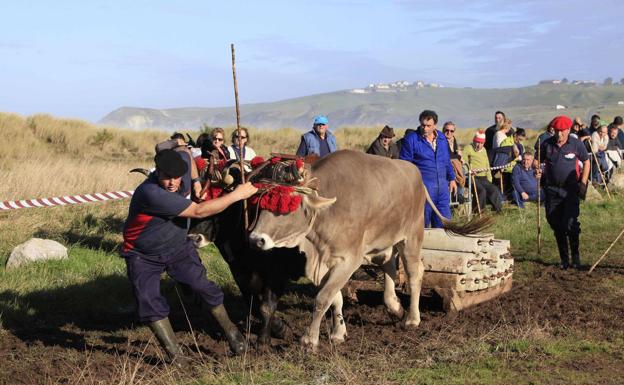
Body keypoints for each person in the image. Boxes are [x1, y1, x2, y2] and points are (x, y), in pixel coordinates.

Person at [121, 149, 258, 362]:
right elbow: (199, 211)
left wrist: (194, 180)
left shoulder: (182, 166)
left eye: (177, 177)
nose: (173, 182)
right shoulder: (150, 193)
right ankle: (176, 356)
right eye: (167, 177)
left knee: (202, 286)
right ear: (157, 172)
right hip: (143, 254)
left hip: (177, 247)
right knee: (148, 300)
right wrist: (237, 195)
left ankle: (232, 333)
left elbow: (184, 152)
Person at [538, 116, 590, 270]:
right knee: (555, 222)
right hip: (552, 190)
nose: (559, 134)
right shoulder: (546, 144)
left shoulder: (576, 144)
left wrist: (583, 183)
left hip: (571, 189)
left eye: (562, 131)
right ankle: (564, 259)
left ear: (568, 130)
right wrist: (537, 170)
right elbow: (538, 162)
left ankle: (575, 257)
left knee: (570, 223)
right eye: (557, 131)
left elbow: (586, 162)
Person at [400, 110, 457, 227]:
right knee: (421, 227)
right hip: (423, 191)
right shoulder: (411, 140)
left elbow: (446, 160)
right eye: (423, 125)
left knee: (444, 226)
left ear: (435, 125)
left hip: (442, 191)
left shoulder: (441, 138)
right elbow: (405, 166)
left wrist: (452, 178)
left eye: (428, 126)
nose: (425, 129)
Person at [462, 130, 503, 213]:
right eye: (477, 142)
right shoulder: (468, 148)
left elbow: (487, 165)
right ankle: (479, 212)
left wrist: (489, 179)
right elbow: (463, 162)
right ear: (474, 140)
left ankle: (498, 211)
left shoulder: (484, 150)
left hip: (483, 177)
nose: (479, 145)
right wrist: (469, 171)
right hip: (472, 177)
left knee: (494, 189)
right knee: (481, 191)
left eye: (481, 143)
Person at [442, 121, 465, 193]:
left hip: (453, 165)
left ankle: (459, 194)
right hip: (445, 166)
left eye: (451, 131)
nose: (449, 132)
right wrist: (458, 156)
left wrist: (459, 157)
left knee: (463, 170)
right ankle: (458, 195)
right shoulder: (441, 141)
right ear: (443, 130)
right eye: (447, 130)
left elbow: (453, 154)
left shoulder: (453, 140)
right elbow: (447, 155)